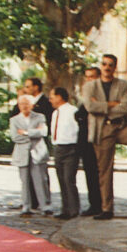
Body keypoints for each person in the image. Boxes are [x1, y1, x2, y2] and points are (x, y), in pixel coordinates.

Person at [80, 54, 127, 219]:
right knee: (105, 171)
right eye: (104, 64)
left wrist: (103, 107)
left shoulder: (124, 85)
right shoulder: (90, 86)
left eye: (110, 65)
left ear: (115, 67)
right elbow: (90, 106)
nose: (107, 67)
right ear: (101, 66)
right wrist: (111, 104)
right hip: (102, 130)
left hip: (121, 126)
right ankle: (107, 209)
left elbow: (125, 108)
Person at [10, 77, 54, 211]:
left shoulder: (40, 115)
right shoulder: (15, 119)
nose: (24, 106)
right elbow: (15, 136)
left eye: (27, 103)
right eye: (21, 104)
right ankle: (26, 205)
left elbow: (44, 131)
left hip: (37, 151)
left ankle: (44, 205)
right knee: (25, 181)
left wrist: (26, 133)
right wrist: (33, 135)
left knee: (41, 179)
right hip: (22, 152)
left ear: (32, 105)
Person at [47, 87, 81, 219]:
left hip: (70, 148)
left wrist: (76, 147)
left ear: (59, 97)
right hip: (58, 148)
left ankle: (73, 210)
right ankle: (65, 209)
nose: (50, 100)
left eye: (52, 96)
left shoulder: (73, 111)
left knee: (69, 179)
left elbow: (78, 130)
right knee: (61, 179)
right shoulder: (55, 113)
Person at [75, 67, 103, 217]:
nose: (89, 80)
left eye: (92, 77)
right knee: (90, 174)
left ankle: (99, 205)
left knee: (97, 174)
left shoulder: (99, 95)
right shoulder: (87, 95)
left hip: (96, 140)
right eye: (87, 77)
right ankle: (94, 203)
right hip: (85, 141)